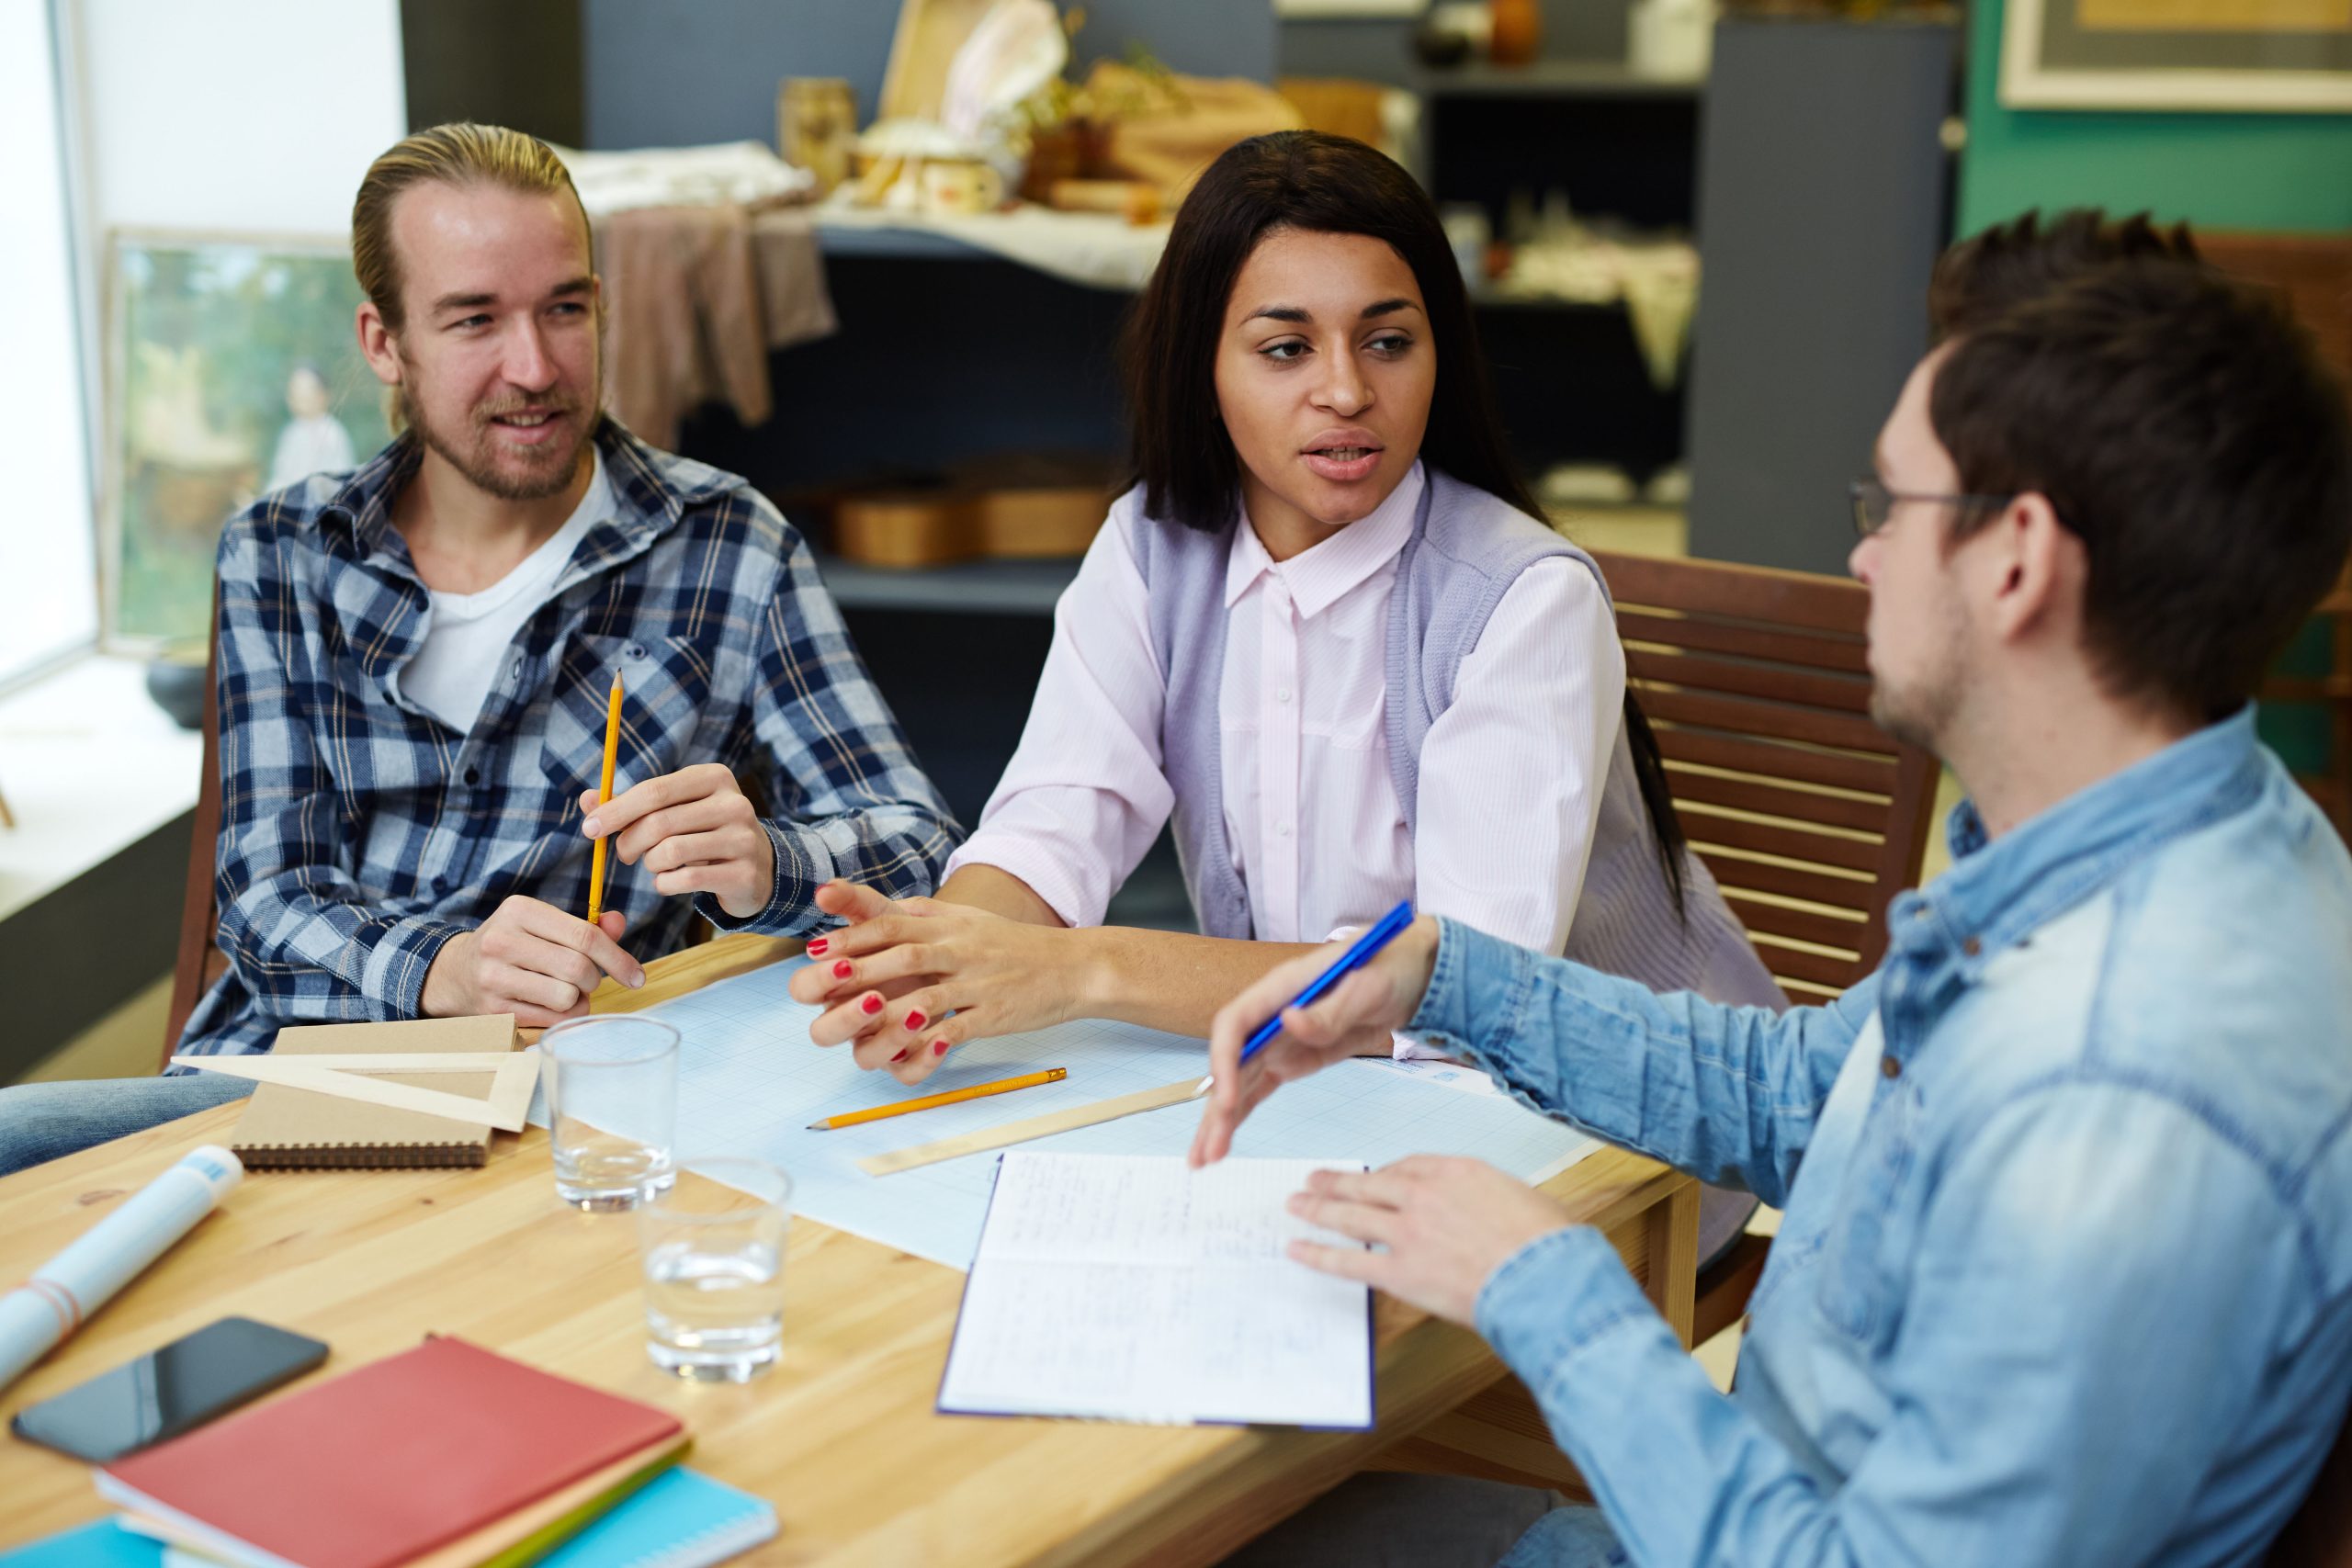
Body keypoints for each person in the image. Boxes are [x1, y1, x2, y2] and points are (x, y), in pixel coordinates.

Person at [1192, 210, 2352, 1566]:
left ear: (2019, 556)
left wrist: (1545, 1288)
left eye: (1890, 507)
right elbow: (1808, 1091)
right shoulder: (2183, 836)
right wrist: (1451, 970)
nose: (1861, 557)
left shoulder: (2120, 1090)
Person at [785, 130, 1781, 1259]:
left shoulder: (1524, 599)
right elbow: (1061, 811)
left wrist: (1080, 967)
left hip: (1606, 1136)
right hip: (1326, 1096)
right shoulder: (1153, 546)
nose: (1346, 391)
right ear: (1202, 369)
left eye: (1388, 341)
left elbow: (1468, 996)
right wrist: (941, 963)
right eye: (1285, 348)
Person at [0, 123, 956, 1175]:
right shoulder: (283, 551)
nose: (536, 367)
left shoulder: (730, 542)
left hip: (570, 1106)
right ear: (382, 342)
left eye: (565, 309)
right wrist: (444, 971)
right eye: (474, 320)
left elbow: (919, 850)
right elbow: (267, 901)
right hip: (286, 1083)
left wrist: (772, 863)